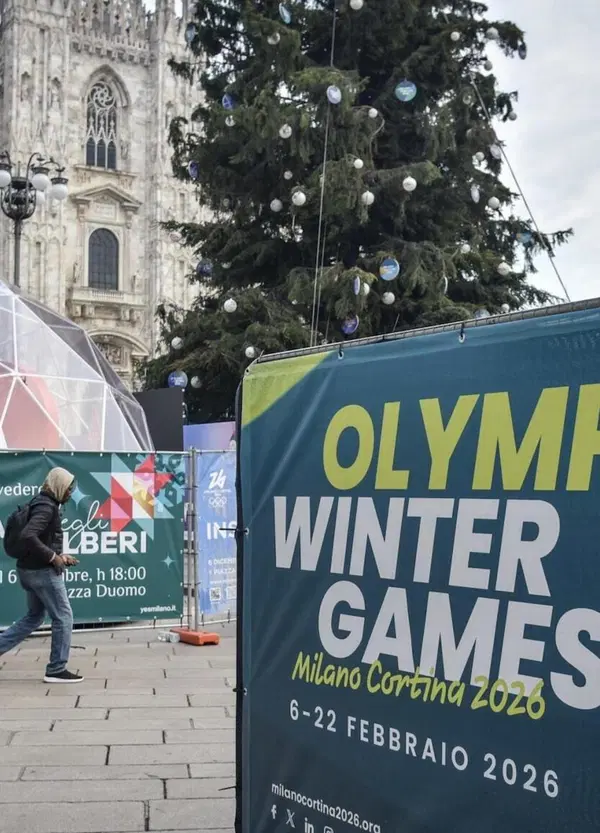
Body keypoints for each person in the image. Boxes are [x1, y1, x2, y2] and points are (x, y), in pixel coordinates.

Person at [0, 467, 83, 683]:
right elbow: (29, 535)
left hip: (28, 570)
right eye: (68, 488)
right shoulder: (47, 507)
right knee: (63, 616)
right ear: (58, 486)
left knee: (34, 616)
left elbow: (38, 539)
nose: (70, 493)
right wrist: (52, 558)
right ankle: (56, 669)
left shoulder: (40, 501)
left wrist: (59, 556)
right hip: (42, 572)